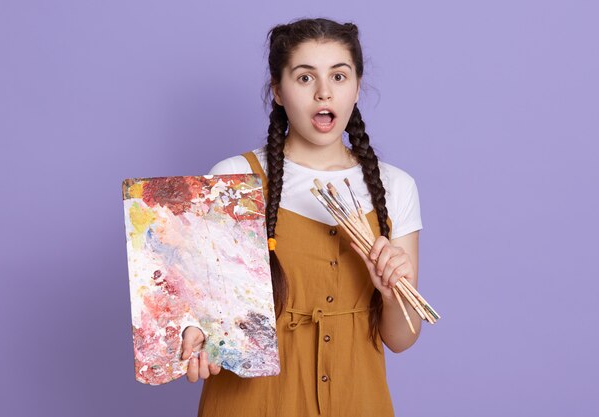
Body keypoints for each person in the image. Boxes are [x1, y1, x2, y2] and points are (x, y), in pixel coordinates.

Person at [180, 17, 424, 417]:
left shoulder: (397, 187)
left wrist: (389, 290)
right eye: (305, 78)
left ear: (357, 87)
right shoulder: (233, 179)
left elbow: (399, 339)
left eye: (339, 76)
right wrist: (194, 334)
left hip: (356, 399)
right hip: (251, 401)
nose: (324, 92)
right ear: (277, 90)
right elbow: (200, 310)